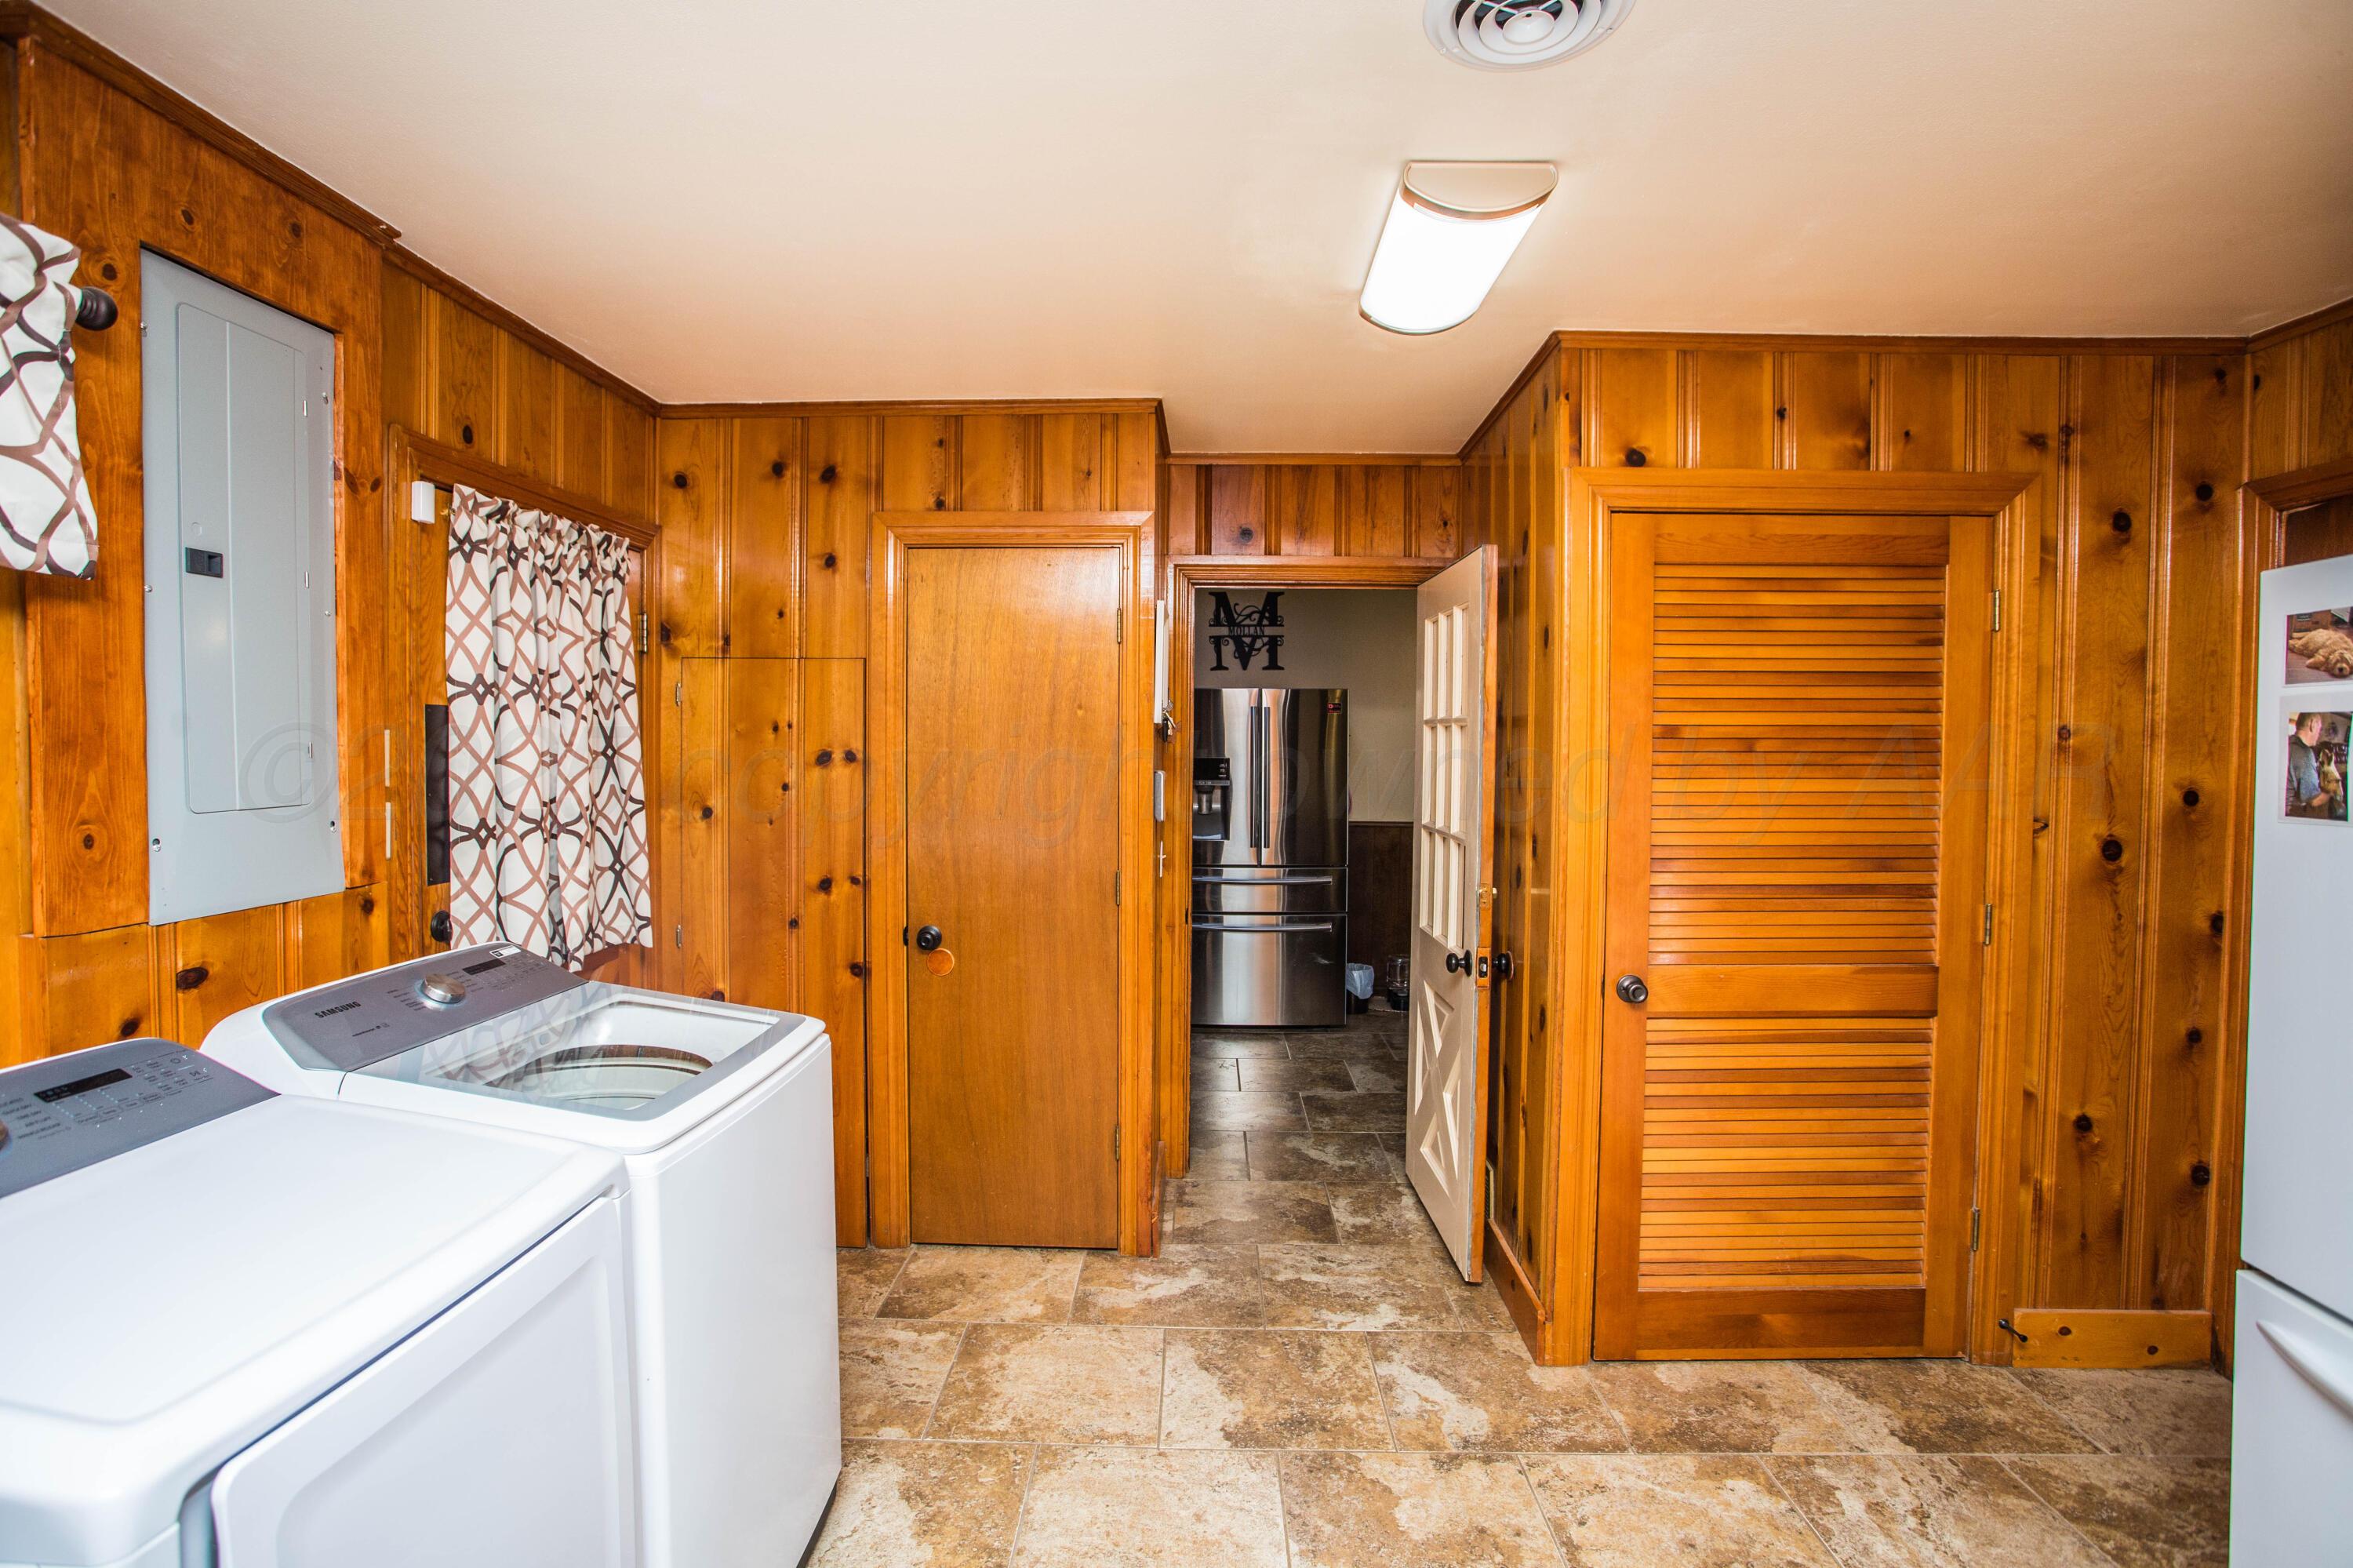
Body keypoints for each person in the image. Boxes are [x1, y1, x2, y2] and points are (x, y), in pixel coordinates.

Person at [2286, 711, 2345, 820]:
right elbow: (2314, 800)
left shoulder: (2288, 743)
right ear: (2313, 724)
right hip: (2291, 812)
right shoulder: (2305, 753)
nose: (2319, 734)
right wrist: (2331, 794)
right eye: (2320, 728)